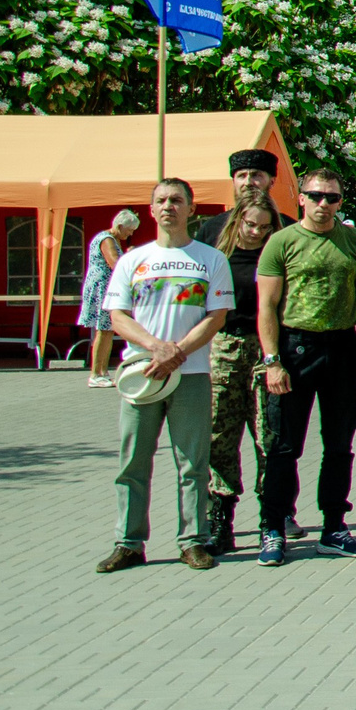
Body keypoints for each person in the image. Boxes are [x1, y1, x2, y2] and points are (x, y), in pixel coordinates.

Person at [97, 178, 235, 573]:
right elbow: (118, 316)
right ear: (150, 210)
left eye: (177, 200)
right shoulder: (131, 260)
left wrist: (177, 353)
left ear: (192, 209)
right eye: (161, 201)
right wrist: (156, 348)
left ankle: (192, 540)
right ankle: (129, 542)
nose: (168, 207)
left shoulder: (210, 260)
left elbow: (216, 317)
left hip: (190, 374)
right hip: (141, 375)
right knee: (132, 462)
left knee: (192, 463)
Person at [254, 171, 356, 563]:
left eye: (333, 198)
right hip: (294, 348)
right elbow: (267, 308)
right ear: (301, 198)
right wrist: (272, 362)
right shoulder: (281, 242)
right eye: (316, 196)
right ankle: (273, 527)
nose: (324, 204)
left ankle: (334, 527)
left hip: (340, 348)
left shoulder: (355, 241)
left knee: (340, 445)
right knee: (283, 446)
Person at [202, 195, 277, 555]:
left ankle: (270, 518)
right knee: (220, 433)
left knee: (268, 436)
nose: (256, 232)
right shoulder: (218, 257)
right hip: (225, 347)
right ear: (237, 222)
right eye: (250, 225)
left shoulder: (276, 255)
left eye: (264, 227)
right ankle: (221, 517)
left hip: (265, 350)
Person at [79, 210, 142, 384]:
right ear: (120, 226)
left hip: (107, 289)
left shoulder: (111, 239)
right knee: (103, 330)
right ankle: (96, 374)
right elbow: (115, 264)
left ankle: (102, 372)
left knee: (107, 330)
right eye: (129, 230)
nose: (130, 233)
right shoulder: (107, 239)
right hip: (102, 289)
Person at [190, 148, 293, 249]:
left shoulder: (289, 229)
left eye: (256, 175)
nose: (247, 182)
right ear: (233, 182)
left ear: (272, 182)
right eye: (241, 176)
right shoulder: (212, 228)